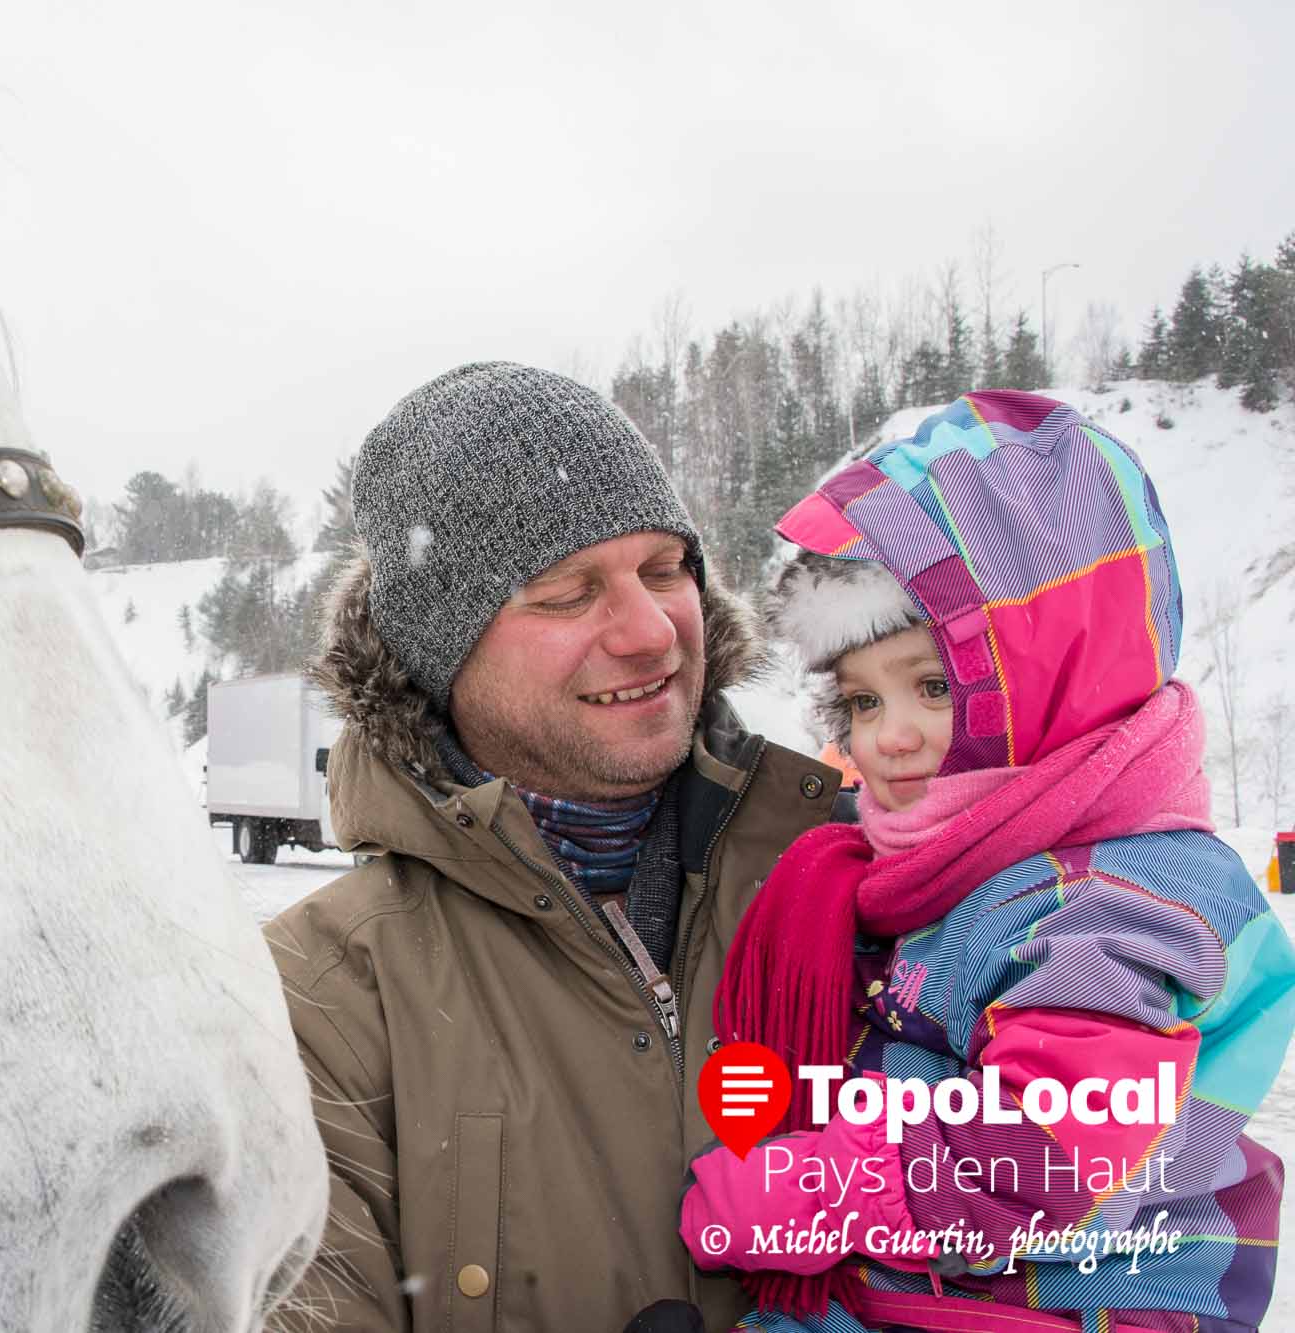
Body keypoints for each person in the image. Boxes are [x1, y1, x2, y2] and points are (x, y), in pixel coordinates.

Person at [678, 390, 1295, 1331]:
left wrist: (811, 1193)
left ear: (1053, 681)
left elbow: (1046, 1151)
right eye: (863, 701)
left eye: (932, 684)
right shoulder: (968, 863)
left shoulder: (1111, 900)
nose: (888, 737)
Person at [271, 362, 849, 1331]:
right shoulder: (322, 994)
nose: (648, 630)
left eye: (663, 571)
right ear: (438, 652)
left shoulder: (851, 878)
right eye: (563, 591)